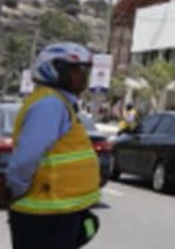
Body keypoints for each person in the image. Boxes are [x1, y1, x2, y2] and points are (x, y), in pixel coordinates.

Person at [0, 43, 101, 249]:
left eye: (85, 71)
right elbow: (28, 157)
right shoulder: (49, 104)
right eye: (76, 70)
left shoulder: (59, 103)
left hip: (57, 212)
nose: (83, 77)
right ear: (54, 70)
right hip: (45, 215)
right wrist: (15, 188)